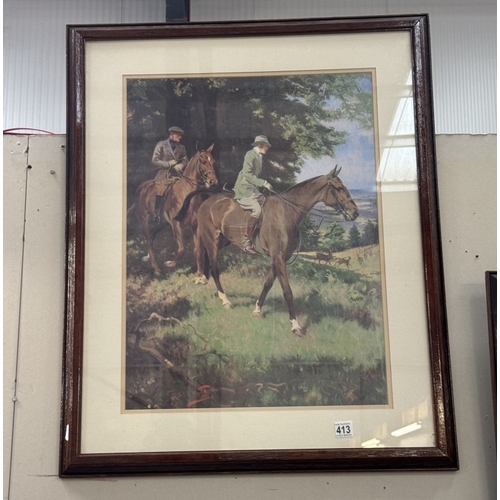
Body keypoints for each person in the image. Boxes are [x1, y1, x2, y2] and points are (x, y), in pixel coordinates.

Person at [233, 135, 273, 254]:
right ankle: (245, 241)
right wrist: (263, 183)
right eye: (266, 146)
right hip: (244, 187)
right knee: (257, 210)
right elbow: (247, 175)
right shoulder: (250, 155)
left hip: (253, 188)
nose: (267, 148)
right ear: (260, 145)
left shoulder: (259, 156)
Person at [150, 126, 188, 224]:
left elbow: (185, 159)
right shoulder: (161, 144)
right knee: (161, 190)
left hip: (177, 174)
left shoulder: (181, 147)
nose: (180, 137)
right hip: (164, 174)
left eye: (180, 135)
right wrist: (167, 163)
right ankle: (156, 214)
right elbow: (155, 159)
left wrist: (181, 165)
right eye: (178, 135)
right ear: (171, 134)